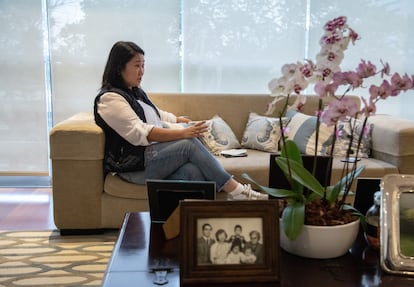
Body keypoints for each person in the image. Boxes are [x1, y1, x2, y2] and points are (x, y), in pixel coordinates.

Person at [93, 41, 268, 200]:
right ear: (118, 68)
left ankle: (200, 220)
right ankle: (236, 191)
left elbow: (156, 114)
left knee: (194, 172)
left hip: (150, 158)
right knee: (188, 143)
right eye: (137, 65)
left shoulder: (135, 91)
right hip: (133, 167)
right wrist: (182, 132)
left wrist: (177, 120)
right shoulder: (110, 99)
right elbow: (140, 133)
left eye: (144, 65)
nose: (142, 71)